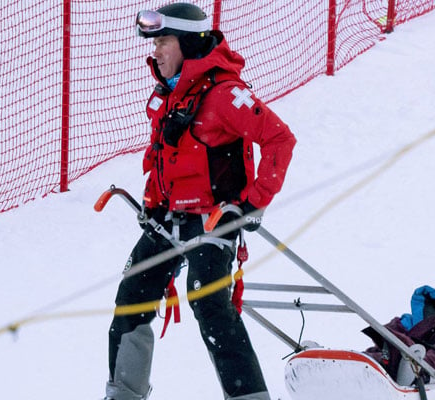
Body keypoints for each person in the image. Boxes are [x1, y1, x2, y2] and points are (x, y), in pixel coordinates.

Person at [104, 3, 296, 400]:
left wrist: (250, 204)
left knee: (207, 299)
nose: (155, 51)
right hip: (168, 219)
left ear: (188, 44)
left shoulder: (226, 94)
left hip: (213, 220)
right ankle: (123, 394)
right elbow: (170, 156)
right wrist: (154, 201)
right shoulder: (171, 92)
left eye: (164, 41)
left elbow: (280, 139)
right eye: (154, 42)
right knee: (131, 297)